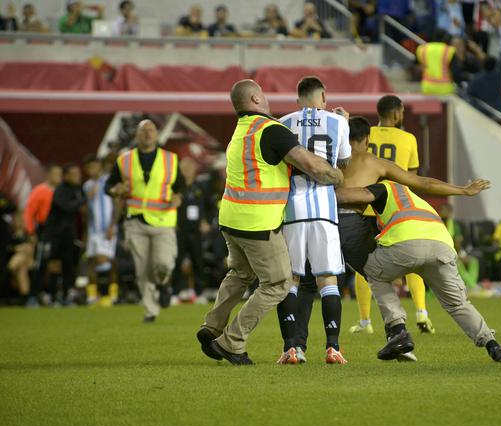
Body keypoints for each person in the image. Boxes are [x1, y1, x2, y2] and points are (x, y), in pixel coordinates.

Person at [196, 79, 343, 366]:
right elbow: (311, 165)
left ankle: (211, 326)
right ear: (254, 99)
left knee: (240, 274)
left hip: (230, 218)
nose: (268, 99)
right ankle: (232, 342)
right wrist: (335, 175)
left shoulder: (241, 131)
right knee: (277, 283)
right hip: (257, 222)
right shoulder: (272, 131)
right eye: (262, 94)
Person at [335, 181, 501, 363]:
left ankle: (398, 330)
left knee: (372, 272)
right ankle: (493, 345)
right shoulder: (416, 200)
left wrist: (321, 195)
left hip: (408, 245)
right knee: (458, 304)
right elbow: (426, 186)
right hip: (442, 248)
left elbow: (355, 195)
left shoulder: (386, 186)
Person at [274, 77, 351, 365]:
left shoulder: (283, 122)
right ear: (324, 96)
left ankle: (291, 348)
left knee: (290, 279)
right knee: (327, 278)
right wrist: (344, 121)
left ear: (298, 100)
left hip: (292, 208)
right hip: (324, 208)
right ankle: (333, 347)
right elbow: (343, 163)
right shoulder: (338, 122)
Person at [349, 95, 435, 335]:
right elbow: (412, 176)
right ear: (397, 114)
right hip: (395, 207)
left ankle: (365, 322)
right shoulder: (409, 138)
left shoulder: (368, 135)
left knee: (363, 264)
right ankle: (421, 312)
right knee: (410, 260)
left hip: (367, 205)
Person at [105, 120, 184, 323]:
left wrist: (179, 197)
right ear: (137, 135)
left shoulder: (170, 159)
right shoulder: (124, 159)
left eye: (151, 130)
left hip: (164, 219)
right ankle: (150, 311)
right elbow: (109, 185)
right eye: (143, 131)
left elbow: (182, 186)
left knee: (163, 263)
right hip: (135, 220)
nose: (147, 134)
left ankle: (164, 283)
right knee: (142, 268)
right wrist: (115, 190)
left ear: (157, 135)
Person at [43, 163, 86, 306]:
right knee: (54, 264)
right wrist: (82, 201)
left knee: (69, 265)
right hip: (55, 233)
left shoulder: (78, 189)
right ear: (66, 176)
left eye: (79, 174)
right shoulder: (60, 190)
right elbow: (66, 207)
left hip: (69, 233)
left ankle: (67, 295)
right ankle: (53, 296)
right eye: (74, 174)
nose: (78, 177)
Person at [24, 164, 62, 308]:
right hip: (44, 231)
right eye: (56, 174)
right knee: (40, 264)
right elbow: (29, 212)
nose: (59, 177)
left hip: (58, 232)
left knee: (56, 265)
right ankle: (32, 297)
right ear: (48, 175)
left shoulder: (61, 191)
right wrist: (31, 232)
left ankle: (53, 297)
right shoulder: (40, 191)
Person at [172, 157, 210, 304]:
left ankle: (199, 293)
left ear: (195, 170)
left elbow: (211, 206)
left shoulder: (201, 187)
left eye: (189, 167)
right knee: (177, 261)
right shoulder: (175, 187)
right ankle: (176, 292)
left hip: (196, 231)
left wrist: (207, 221)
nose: (187, 170)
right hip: (179, 230)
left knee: (198, 261)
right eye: (184, 168)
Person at [83, 155, 117, 307]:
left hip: (106, 229)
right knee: (91, 261)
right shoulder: (87, 186)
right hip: (93, 231)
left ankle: (110, 295)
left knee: (105, 260)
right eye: (90, 168)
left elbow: (116, 204)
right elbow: (87, 211)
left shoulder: (109, 182)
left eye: (95, 166)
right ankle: (92, 296)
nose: (93, 170)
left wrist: (112, 225)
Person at [415, 30, 456, 95]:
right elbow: (455, 70)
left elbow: (417, 66)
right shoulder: (449, 50)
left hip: (427, 87)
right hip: (445, 88)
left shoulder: (422, 49)